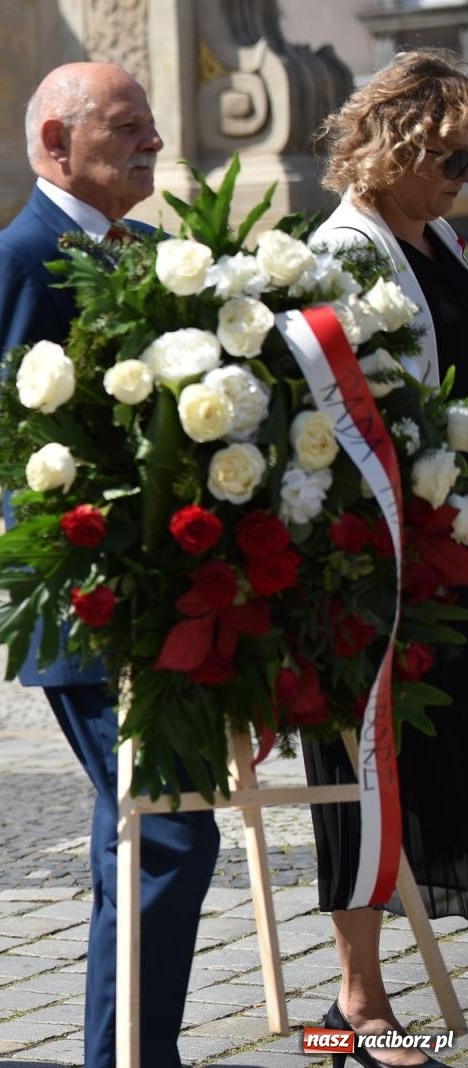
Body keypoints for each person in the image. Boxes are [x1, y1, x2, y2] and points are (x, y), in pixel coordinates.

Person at [0, 63, 219, 1068]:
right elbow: (6, 443)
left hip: (183, 603)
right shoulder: (14, 261)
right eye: (128, 127)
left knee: (148, 844)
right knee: (169, 840)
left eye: (151, 126)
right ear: (56, 142)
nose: (151, 142)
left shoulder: (154, 252)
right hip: (96, 614)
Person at [301, 46, 468, 1068]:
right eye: (449, 159)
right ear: (390, 148)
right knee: (359, 780)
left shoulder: (440, 241)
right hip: (368, 561)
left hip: (442, 549)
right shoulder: (342, 253)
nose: (462, 180)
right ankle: (349, 1016)